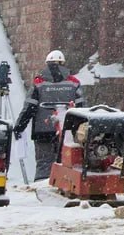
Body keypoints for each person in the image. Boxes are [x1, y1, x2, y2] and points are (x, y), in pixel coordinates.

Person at [13, 50, 85, 181]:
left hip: (43, 130)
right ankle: (64, 187)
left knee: (44, 164)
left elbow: (29, 107)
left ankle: (41, 189)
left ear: (47, 63)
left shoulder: (38, 83)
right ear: (63, 63)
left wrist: (19, 126)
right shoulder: (74, 82)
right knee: (67, 163)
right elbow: (82, 109)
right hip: (67, 132)